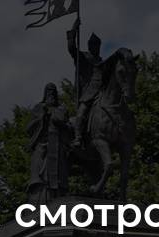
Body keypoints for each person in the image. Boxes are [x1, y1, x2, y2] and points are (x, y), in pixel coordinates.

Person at [26, 82, 71, 203]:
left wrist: (60, 121)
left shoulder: (61, 109)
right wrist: (42, 117)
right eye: (49, 91)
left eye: (53, 91)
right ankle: (39, 201)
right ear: (45, 94)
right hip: (42, 147)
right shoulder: (39, 108)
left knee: (58, 178)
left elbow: (68, 126)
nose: (51, 94)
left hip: (57, 148)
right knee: (39, 178)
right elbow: (29, 128)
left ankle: (57, 199)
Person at [67, 18, 104, 149]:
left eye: (98, 45)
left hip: (101, 93)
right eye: (93, 45)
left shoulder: (102, 62)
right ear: (89, 46)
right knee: (82, 112)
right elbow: (71, 48)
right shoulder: (83, 57)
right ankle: (78, 137)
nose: (96, 47)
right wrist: (74, 30)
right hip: (87, 94)